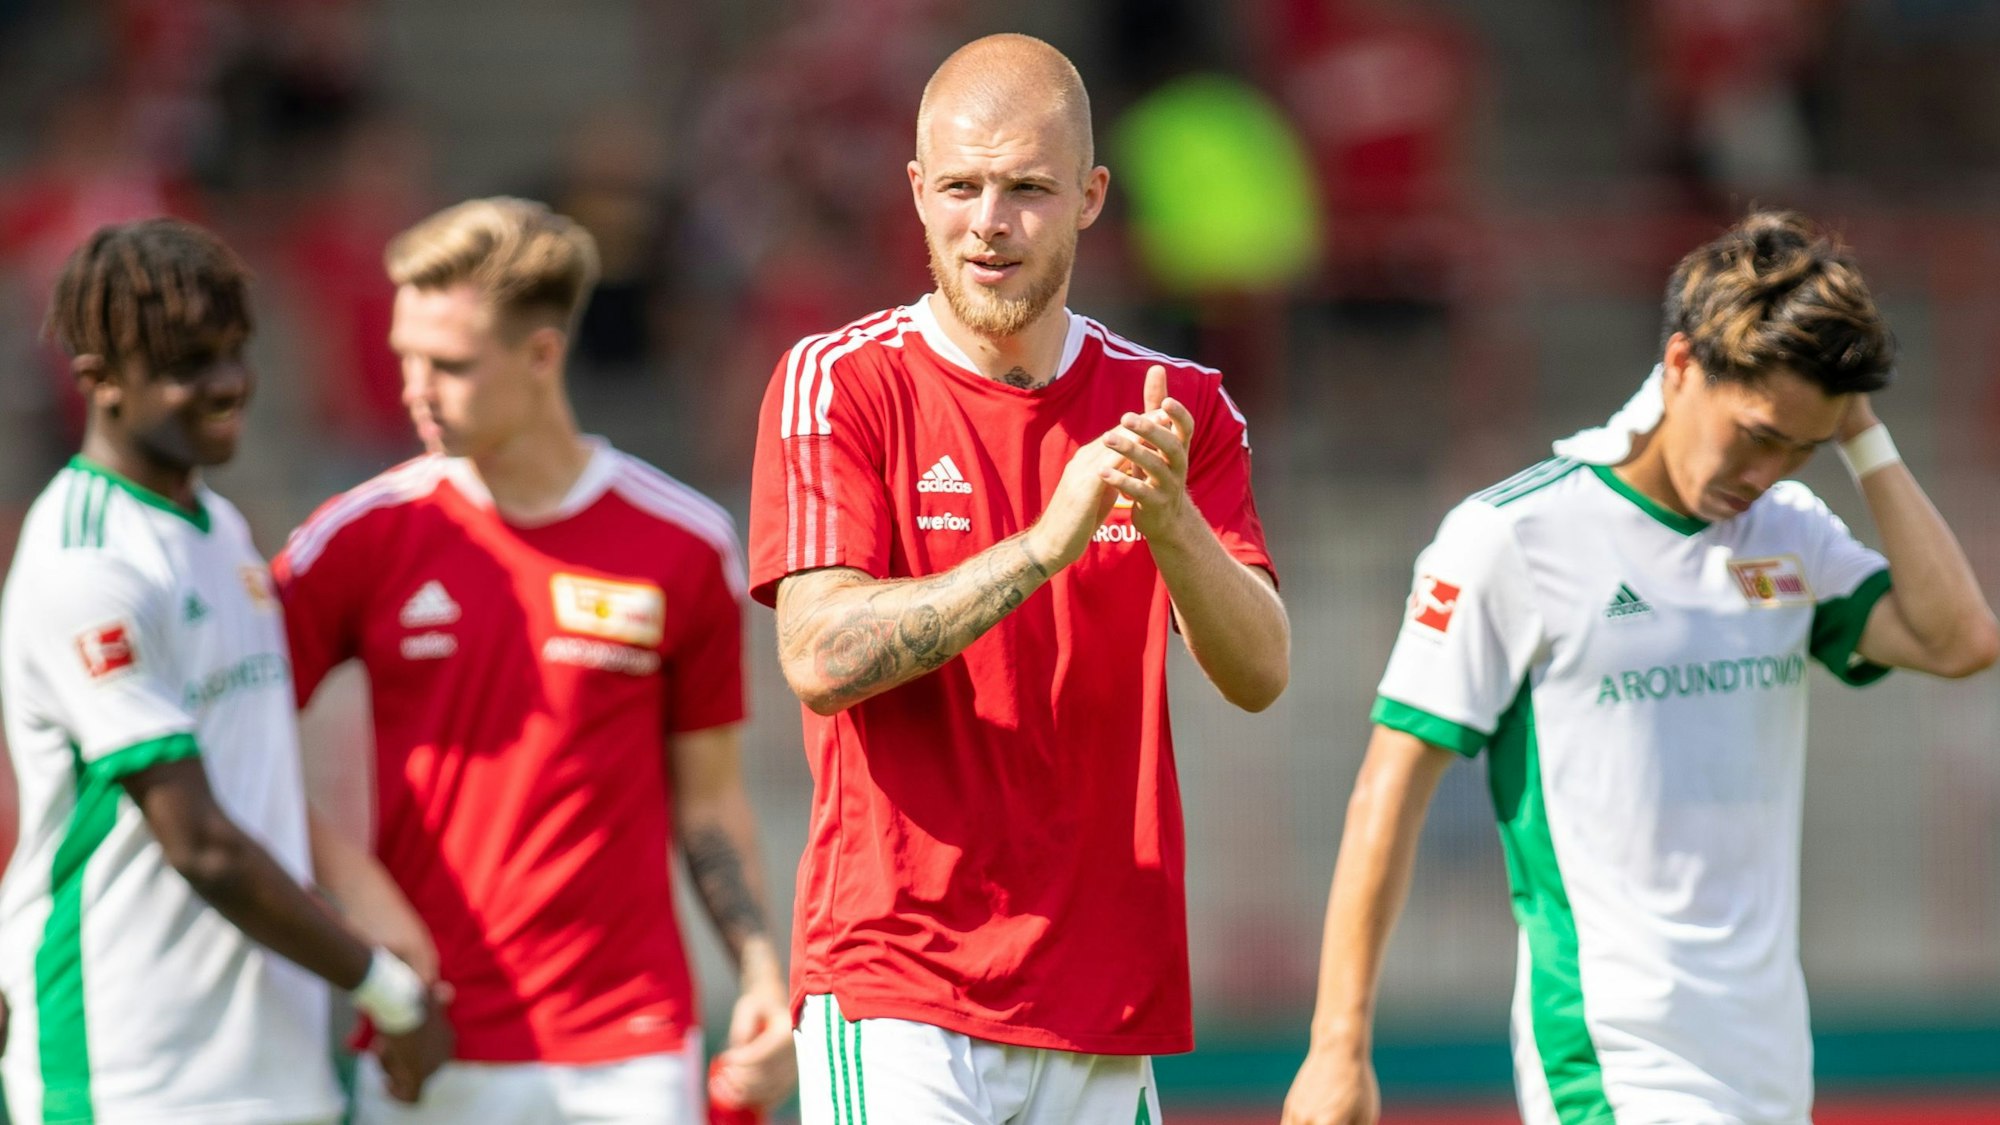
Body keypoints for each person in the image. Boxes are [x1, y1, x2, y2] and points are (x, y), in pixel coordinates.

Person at [1282, 210, 2000, 1125]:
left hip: (1772, 1061)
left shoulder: (1788, 532)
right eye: (1755, 431)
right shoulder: (1514, 536)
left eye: (1800, 447)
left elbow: (1961, 640)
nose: (1768, 467)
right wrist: (1337, 1044)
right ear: (1680, 365)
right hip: (1613, 1060)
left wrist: (1864, 437)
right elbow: (1388, 787)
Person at [747, 33, 1292, 1125]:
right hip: (898, 988)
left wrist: (1172, 520)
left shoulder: (1175, 402)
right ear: (914, 192)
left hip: (1102, 1003)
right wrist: (1044, 545)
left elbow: (1260, 670)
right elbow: (818, 656)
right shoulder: (841, 382)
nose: (987, 222)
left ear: (1091, 195)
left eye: (1027, 189)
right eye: (959, 186)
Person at [273, 197, 794, 1123]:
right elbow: (235, 734)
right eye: (405, 356)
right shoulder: (360, 536)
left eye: (450, 364)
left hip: (627, 1045)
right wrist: (359, 896)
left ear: (543, 355)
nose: (415, 387)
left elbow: (709, 794)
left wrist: (760, 968)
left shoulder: (682, 541)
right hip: (423, 1036)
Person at [0, 217, 452, 1123]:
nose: (227, 384)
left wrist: (369, 902)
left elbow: (256, 767)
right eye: (188, 364)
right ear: (99, 383)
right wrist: (385, 990)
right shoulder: (89, 562)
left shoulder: (217, 524)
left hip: (269, 1060)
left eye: (234, 351)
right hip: (128, 1068)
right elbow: (201, 841)